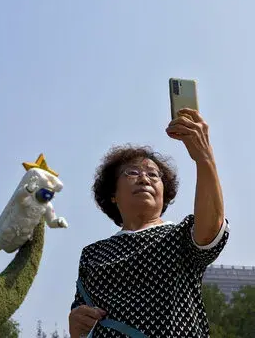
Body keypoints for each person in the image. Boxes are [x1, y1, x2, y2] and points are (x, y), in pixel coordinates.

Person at [68, 108, 229, 338]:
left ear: (164, 194)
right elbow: (81, 319)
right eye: (132, 172)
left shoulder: (180, 236)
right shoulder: (92, 254)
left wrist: (204, 157)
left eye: (154, 175)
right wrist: (76, 326)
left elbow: (211, 229)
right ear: (113, 193)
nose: (144, 178)